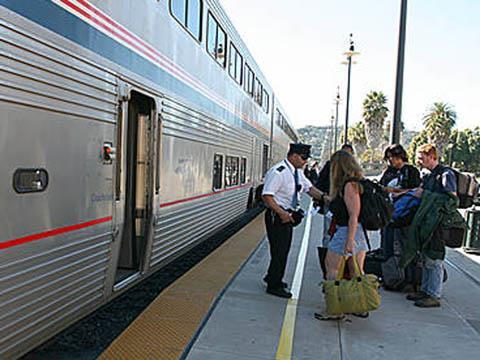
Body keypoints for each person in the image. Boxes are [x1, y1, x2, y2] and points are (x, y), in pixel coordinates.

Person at [262, 143, 325, 298]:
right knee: (280, 251)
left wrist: (326, 198)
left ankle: (272, 276)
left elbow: (309, 189)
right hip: (277, 216)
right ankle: (274, 285)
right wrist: (282, 213)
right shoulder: (279, 172)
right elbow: (267, 196)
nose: (305, 161)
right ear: (294, 156)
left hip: (287, 216)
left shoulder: (297, 173)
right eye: (303, 158)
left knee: (283, 249)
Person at [315, 150, 369, 320]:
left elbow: (353, 215)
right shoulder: (357, 183)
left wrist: (349, 240)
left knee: (331, 269)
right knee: (356, 272)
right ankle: (359, 306)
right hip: (358, 232)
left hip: (347, 231)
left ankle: (333, 309)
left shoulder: (349, 185)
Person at [406, 144, 457, 308]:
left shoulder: (445, 174)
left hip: (437, 224)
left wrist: (430, 199)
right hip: (427, 221)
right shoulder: (429, 176)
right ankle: (425, 290)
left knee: (434, 258)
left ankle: (434, 294)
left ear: (432, 156)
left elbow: (452, 199)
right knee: (426, 256)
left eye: (422, 157)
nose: (419, 161)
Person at [381, 144, 421, 259]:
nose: (390, 160)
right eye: (388, 158)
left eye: (392, 157)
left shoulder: (411, 171)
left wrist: (396, 191)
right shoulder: (388, 172)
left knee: (403, 246)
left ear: (399, 156)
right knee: (387, 244)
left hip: (405, 215)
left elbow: (416, 191)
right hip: (388, 213)